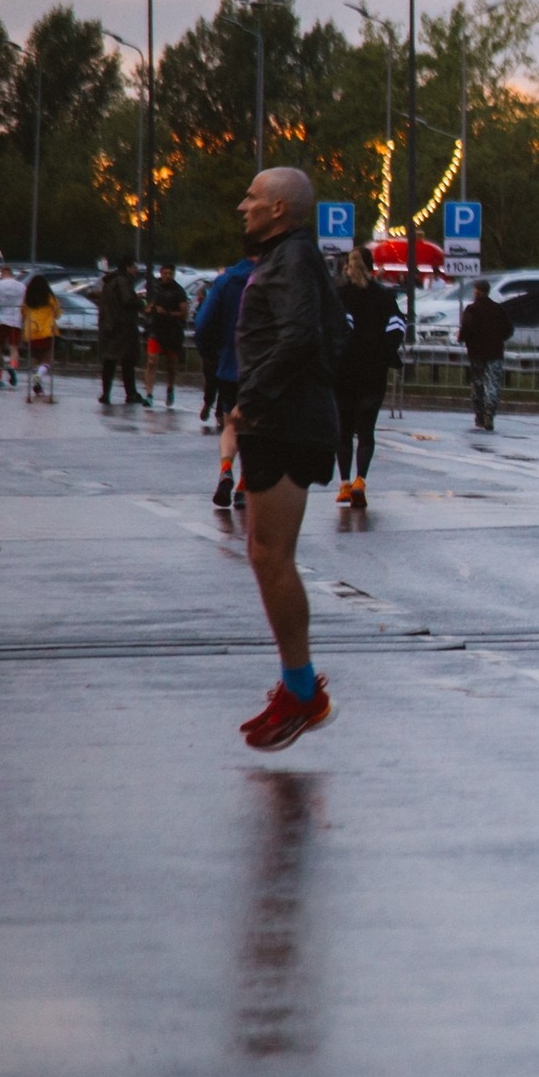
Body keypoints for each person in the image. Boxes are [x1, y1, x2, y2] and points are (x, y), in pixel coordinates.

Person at [229, 167, 345, 752]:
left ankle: (302, 690)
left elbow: (303, 336)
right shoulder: (285, 259)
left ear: (278, 209)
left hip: (286, 423)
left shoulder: (294, 259)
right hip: (283, 420)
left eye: (252, 198)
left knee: (272, 555)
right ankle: (296, 685)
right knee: (263, 553)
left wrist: (251, 401)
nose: (242, 206)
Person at [332, 248, 404, 509]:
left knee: (344, 431)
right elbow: (397, 328)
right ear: (373, 268)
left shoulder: (341, 296)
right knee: (366, 431)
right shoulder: (384, 298)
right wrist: (384, 354)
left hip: (344, 373)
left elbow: (334, 331)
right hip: (374, 373)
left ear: (348, 268)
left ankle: (344, 484)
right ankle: (361, 481)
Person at [194, 255, 254, 505]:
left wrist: (213, 354)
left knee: (230, 423)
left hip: (230, 365)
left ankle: (226, 469)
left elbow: (203, 323)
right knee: (254, 428)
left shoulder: (226, 280)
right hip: (262, 367)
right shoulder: (274, 276)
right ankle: (243, 486)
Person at [458, 278, 513, 430]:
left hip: (476, 352)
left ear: (476, 291)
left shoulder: (471, 309)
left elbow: (466, 328)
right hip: (495, 352)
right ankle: (490, 411)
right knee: (493, 384)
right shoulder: (498, 309)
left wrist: (462, 338)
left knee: (478, 384)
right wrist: (499, 338)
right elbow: (509, 329)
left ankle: (479, 415)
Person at [94, 257, 142, 405]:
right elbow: (127, 301)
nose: (137, 270)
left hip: (109, 326)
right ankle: (131, 393)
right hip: (122, 328)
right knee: (127, 361)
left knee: (109, 362)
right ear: (127, 267)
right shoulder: (123, 281)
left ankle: (106, 393)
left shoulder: (110, 282)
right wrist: (142, 302)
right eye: (135, 267)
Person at [142, 263, 189, 408]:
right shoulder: (154, 287)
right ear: (161, 273)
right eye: (165, 273)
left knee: (171, 364)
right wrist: (147, 309)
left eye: (170, 274)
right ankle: (149, 394)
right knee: (151, 362)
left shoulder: (179, 292)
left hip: (172, 331)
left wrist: (168, 313)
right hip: (155, 329)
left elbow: (185, 314)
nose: (168, 276)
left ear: (174, 275)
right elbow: (146, 303)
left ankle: (170, 388)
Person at [20, 274, 59, 403]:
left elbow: (23, 312)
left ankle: (38, 386)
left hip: (31, 331)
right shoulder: (49, 298)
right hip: (47, 331)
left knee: (34, 358)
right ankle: (39, 375)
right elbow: (57, 313)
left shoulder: (28, 299)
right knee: (47, 358)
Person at [0, 263, 25, 389]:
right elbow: (25, 302)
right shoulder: (21, 286)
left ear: (2, 272)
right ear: (12, 273)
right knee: (13, 347)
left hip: (0, 319)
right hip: (16, 320)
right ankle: (12, 366)